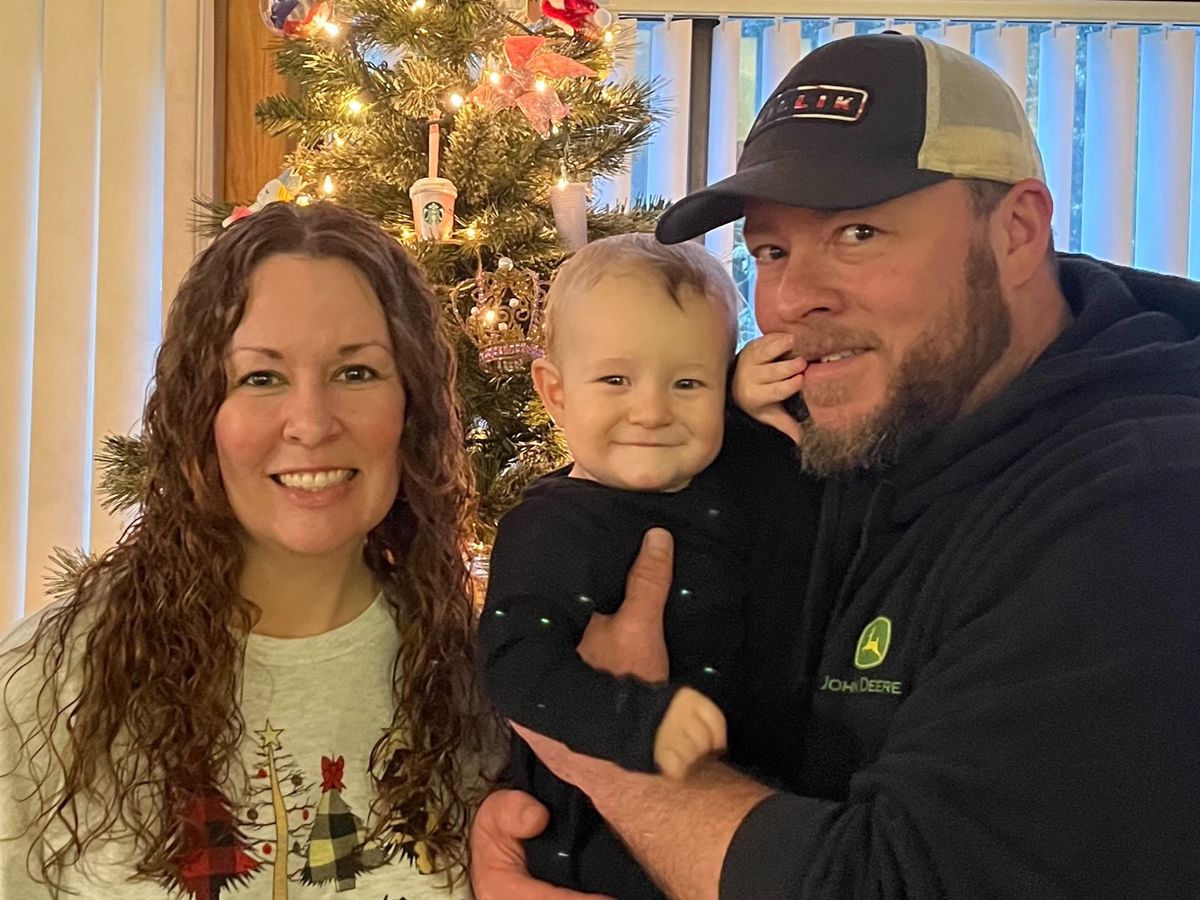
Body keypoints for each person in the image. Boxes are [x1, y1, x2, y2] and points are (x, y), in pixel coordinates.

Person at [470, 32, 1200, 899]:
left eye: (857, 232)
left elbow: (895, 884)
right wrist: (539, 841)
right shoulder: (869, 406)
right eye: (771, 252)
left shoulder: (1144, 511)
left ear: (1016, 232)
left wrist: (611, 758)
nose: (788, 301)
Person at [0, 201, 493, 898]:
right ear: (201, 414)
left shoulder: (483, 688)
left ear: (410, 409)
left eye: (356, 372)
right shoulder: (43, 688)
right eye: (261, 378)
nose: (311, 424)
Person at [479, 234, 750, 898]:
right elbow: (515, 668)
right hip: (590, 845)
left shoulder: (729, 491)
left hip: (728, 829)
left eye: (688, 383)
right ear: (555, 392)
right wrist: (640, 722)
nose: (651, 411)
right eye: (615, 380)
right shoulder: (552, 526)